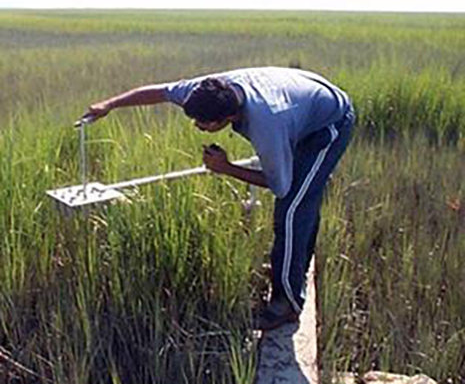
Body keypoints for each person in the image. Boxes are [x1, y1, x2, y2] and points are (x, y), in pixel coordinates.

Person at [82, 66, 355, 330]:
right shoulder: (207, 90)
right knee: (303, 198)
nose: (197, 127)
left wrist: (226, 168)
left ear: (228, 118)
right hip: (302, 104)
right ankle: (291, 267)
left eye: (202, 123)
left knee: (292, 208)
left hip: (329, 125)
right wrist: (109, 104)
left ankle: (286, 305)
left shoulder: (266, 124)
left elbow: (279, 187)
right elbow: (161, 92)